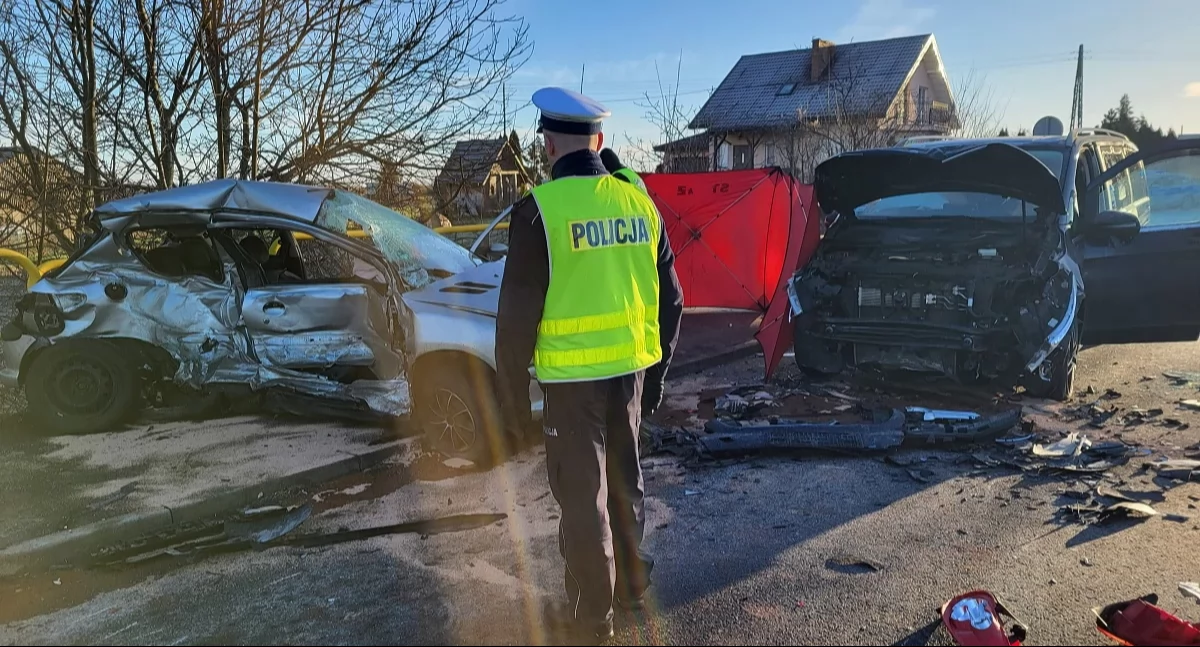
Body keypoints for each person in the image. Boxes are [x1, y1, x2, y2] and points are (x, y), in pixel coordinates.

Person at [494, 86, 684, 644]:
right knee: (625, 485)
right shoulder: (639, 202)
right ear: (599, 141)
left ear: (548, 145)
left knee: (584, 504)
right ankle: (629, 588)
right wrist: (655, 380)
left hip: (571, 388)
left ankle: (589, 620)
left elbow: (514, 324)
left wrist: (511, 405)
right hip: (629, 375)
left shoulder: (540, 213)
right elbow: (672, 300)